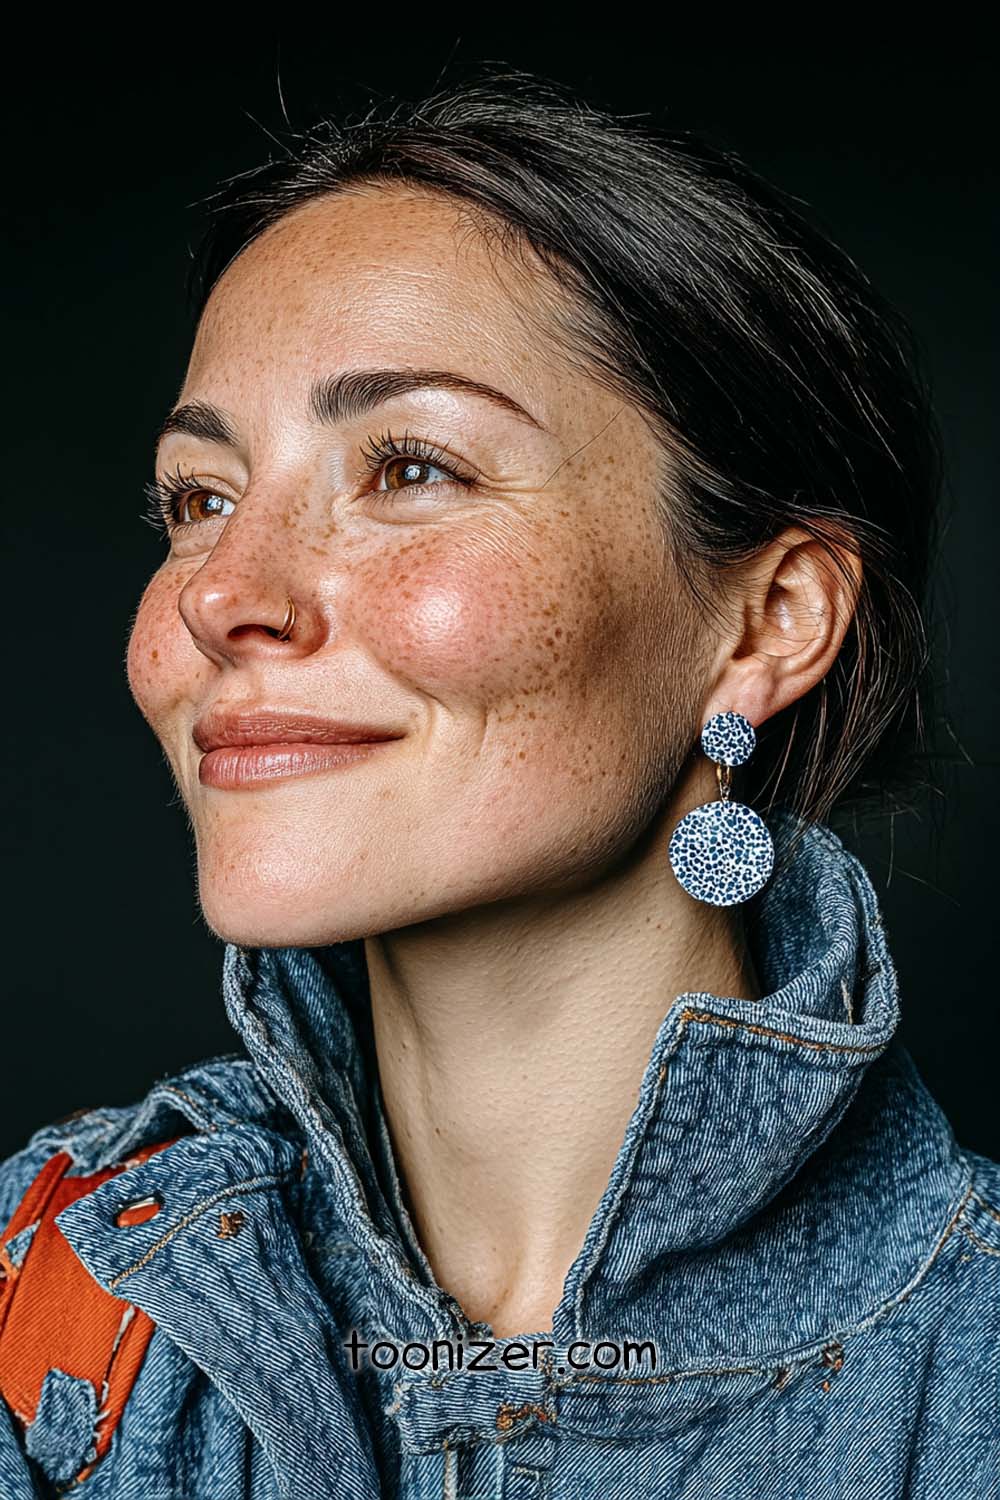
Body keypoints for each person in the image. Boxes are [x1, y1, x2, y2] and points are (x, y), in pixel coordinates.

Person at [1, 64, 997, 1500]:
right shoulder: (58, 1293)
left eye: (408, 467)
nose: (225, 595)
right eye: (198, 498)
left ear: (768, 620)